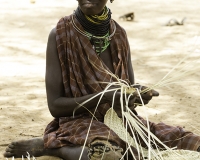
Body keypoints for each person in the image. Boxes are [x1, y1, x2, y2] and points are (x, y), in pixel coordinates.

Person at [3, 0, 200, 159]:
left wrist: (137, 94)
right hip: (79, 123)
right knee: (107, 155)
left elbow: (126, 97)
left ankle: (57, 143)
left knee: (190, 142)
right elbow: (55, 106)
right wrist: (105, 96)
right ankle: (52, 148)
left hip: (121, 123)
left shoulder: (119, 35)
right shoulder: (60, 34)